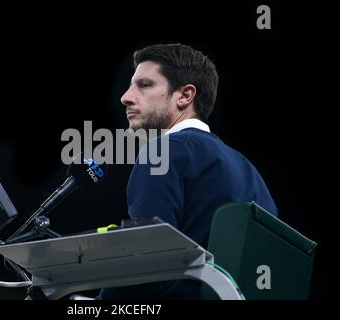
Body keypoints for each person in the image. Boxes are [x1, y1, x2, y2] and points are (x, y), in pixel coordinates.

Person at [98, 43, 278, 299]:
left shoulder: (162, 152)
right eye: (130, 85)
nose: (126, 97)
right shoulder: (250, 172)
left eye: (145, 85)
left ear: (184, 96)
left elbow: (143, 265)